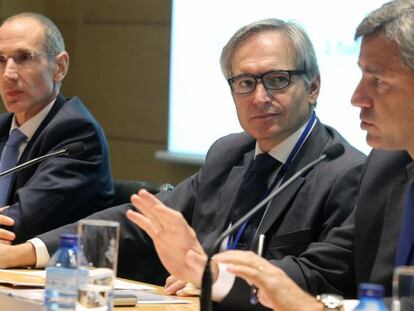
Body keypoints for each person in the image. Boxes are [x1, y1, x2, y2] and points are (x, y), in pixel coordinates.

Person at [0, 18, 364, 309]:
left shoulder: (344, 171)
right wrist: (28, 252)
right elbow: (143, 220)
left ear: (313, 87)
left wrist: (213, 274)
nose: (259, 97)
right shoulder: (229, 153)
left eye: (277, 80)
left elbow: (316, 277)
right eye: (244, 83)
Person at [211, 0, 414, 310]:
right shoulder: (386, 167)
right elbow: (332, 265)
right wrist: (214, 274)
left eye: (378, 81)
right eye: (245, 83)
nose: (357, 98)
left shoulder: (348, 168)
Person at [0, 13, 114, 244]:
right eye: (0, 60)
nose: (8, 74)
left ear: (59, 67)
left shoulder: (77, 135)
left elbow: (18, 224)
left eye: (24, 57)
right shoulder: (4, 127)